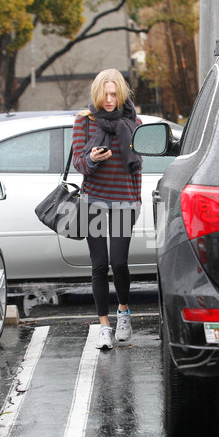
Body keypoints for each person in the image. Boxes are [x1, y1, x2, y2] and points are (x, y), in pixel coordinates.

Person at [72, 69, 142, 349]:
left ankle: (123, 313)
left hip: (123, 201)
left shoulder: (132, 121)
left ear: (121, 94)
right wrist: (91, 159)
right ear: (97, 93)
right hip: (94, 202)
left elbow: (137, 166)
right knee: (99, 265)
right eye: (105, 94)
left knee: (119, 263)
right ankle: (104, 327)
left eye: (115, 94)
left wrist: (136, 200)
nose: (110, 99)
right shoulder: (84, 122)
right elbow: (79, 163)